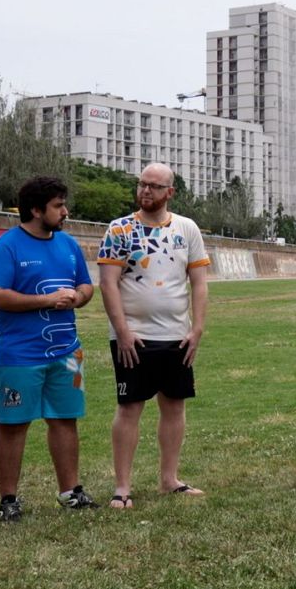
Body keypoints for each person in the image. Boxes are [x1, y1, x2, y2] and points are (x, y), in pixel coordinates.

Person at [0, 175, 97, 520]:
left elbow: (86, 286)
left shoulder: (68, 244)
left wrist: (78, 297)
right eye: (58, 206)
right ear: (35, 210)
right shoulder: (8, 246)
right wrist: (45, 299)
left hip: (69, 354)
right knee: (13, 424)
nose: (65, 212)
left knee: (65, 419)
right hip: (20, 355)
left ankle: (70, 491)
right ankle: (9, 500)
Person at [98, 163, 211, 509]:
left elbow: (199, 283)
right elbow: (108, 283)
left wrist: (196, 328)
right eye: (142, 184)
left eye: (154, 186)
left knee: (174, 406)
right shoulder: (119, 230)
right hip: (135, 337)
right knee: (130, 407)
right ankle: (122, 487)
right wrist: (123, 332)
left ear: (170, 193)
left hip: (176, 335)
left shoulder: (187, 229)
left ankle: (169, 479)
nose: (146, 191)